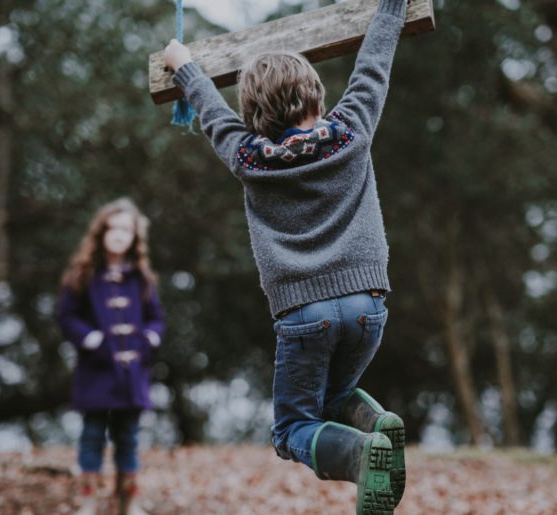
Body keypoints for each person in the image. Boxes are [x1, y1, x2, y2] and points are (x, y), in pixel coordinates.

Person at [163, 0, 408, 512]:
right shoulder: (353, 130)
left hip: (304, 312)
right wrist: (391, 6)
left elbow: (210, 111)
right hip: (369, 305)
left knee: (292, 428)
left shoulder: (248, 157)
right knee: (333, 400)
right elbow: (373, 65)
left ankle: (365, 454)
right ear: (316, 92)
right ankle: (378, 427)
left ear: (254, 115)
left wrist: (183, 65)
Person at [57, 198, 164, 515]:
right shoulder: (82, 275)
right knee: (92, 436)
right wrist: (90, 339)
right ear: (100, 232)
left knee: (128, 437)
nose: (119, 235)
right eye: (113, 228)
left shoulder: (142, 278)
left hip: (133, 375)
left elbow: (156, 318)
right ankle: (88, 502)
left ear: (134, 237)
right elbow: (66, 317)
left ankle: (127, 503)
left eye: (126, 230)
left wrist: (149, 338)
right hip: (96, 372)